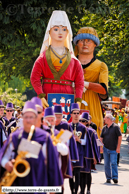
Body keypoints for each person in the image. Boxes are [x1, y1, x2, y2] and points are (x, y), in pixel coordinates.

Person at [0, 101, 63, 191]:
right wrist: (7, 164)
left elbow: (52, 164)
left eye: (31, 117)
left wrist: (54, 188)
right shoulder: (14, 137)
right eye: (26, 117)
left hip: (39, 184)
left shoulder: (45, 137)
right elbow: (3, 157)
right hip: (18, 185)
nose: (28, 120)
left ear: (36, 118)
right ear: (22, 117)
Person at [30, 10, 84, 109]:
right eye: (56, 29)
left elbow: (80, 82)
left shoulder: (74, 61)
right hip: (47, 96)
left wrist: (78, 100)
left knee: (66, 124)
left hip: (68, 98)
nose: (60, 32)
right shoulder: (42, 58)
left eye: (64, 29)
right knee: (47, 123)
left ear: (68, 32)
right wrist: (41, 96)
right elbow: (34, 78)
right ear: (49, 32)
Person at [73, 27, 108, 138]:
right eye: (82, 40)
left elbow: (103, 91)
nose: (85, 44)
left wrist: (85, 84)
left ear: (95, 44)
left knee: (92, 141)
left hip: (93, 107)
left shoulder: (101, 65)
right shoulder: (69, 63)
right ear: (77, 43)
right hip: (72, 103)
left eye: (89, 41)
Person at [43, 107, 72, 194]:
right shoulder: (38, 133)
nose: (50, 122)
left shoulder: (59, 134)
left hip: (55, 171)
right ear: (43, 121)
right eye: (48, 120)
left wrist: (54, 144)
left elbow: (65, 151)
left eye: (52, 120)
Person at [69, 103, 94, 194]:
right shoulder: (67, 126)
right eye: (74, 113)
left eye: (77, 113)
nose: (76, 115)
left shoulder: (83, 128)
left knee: (78, 174)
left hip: (79, 153)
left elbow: (86, 142)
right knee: (70, 175)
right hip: (70, 154)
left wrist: (79, 140)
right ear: (71, 114)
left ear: (79, 114)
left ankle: (77, 191)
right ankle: (73, 191)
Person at [79, 112, 100, 194]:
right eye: (80, 121)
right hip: (80, 155)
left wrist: (96, 156)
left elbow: (96, 144)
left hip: (89, 155)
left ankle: (88, 190)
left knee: (87, 173)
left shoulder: (92, 131)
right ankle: (82, 190)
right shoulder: (78, 130)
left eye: (83, 121)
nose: (81, 122)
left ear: (87, 122)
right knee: (81, 173)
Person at [100, 114, 122, 184]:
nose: (104, 119)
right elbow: (101, 138)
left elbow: (120, 137)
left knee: (113, 163)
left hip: (113, 149)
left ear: (108, 119)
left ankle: (115, 177)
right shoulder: (104, 128)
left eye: (105, 118)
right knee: (106, 164)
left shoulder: (116, 127)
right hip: (106, 149)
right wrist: (101, 147)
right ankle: (108, 178)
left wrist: (118, 147)